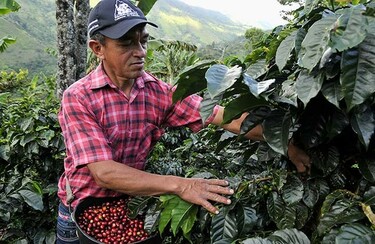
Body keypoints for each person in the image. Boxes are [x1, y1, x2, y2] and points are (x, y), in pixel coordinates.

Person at [56, 0, 311, 243]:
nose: (140, 52)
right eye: (126, 44)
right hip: (82, 209)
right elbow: (105, 173)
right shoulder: (79, 98)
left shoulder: (157, 92)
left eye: (143, 41)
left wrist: (285, 143)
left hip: (133, 202)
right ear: (97, 48)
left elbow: (225, 117)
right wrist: (182, 185)